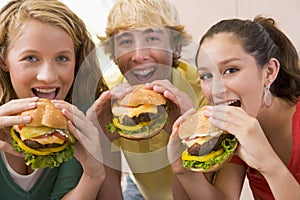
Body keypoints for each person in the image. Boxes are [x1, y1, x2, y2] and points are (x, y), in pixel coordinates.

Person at [168, 16, 300, 199]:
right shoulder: (235, 131)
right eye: (206, 76)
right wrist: (184, 171)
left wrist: (268, 164)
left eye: (230, 70)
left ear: (269, 72)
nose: (216, 90)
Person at [88, 0, 208, 199]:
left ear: (176, 47)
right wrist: (100, 143)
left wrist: (184, 133)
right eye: (126, 42)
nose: (138, 55)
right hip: (140, 191)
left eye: (152, 38)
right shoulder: (109, 97)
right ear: (113, 54)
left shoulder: (202, 90)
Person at [0, 0, 109, 199]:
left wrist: (94, 175)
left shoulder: (78, 120)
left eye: (62, 58)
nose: (48, 76)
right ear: (3, 60)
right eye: (31, 58)